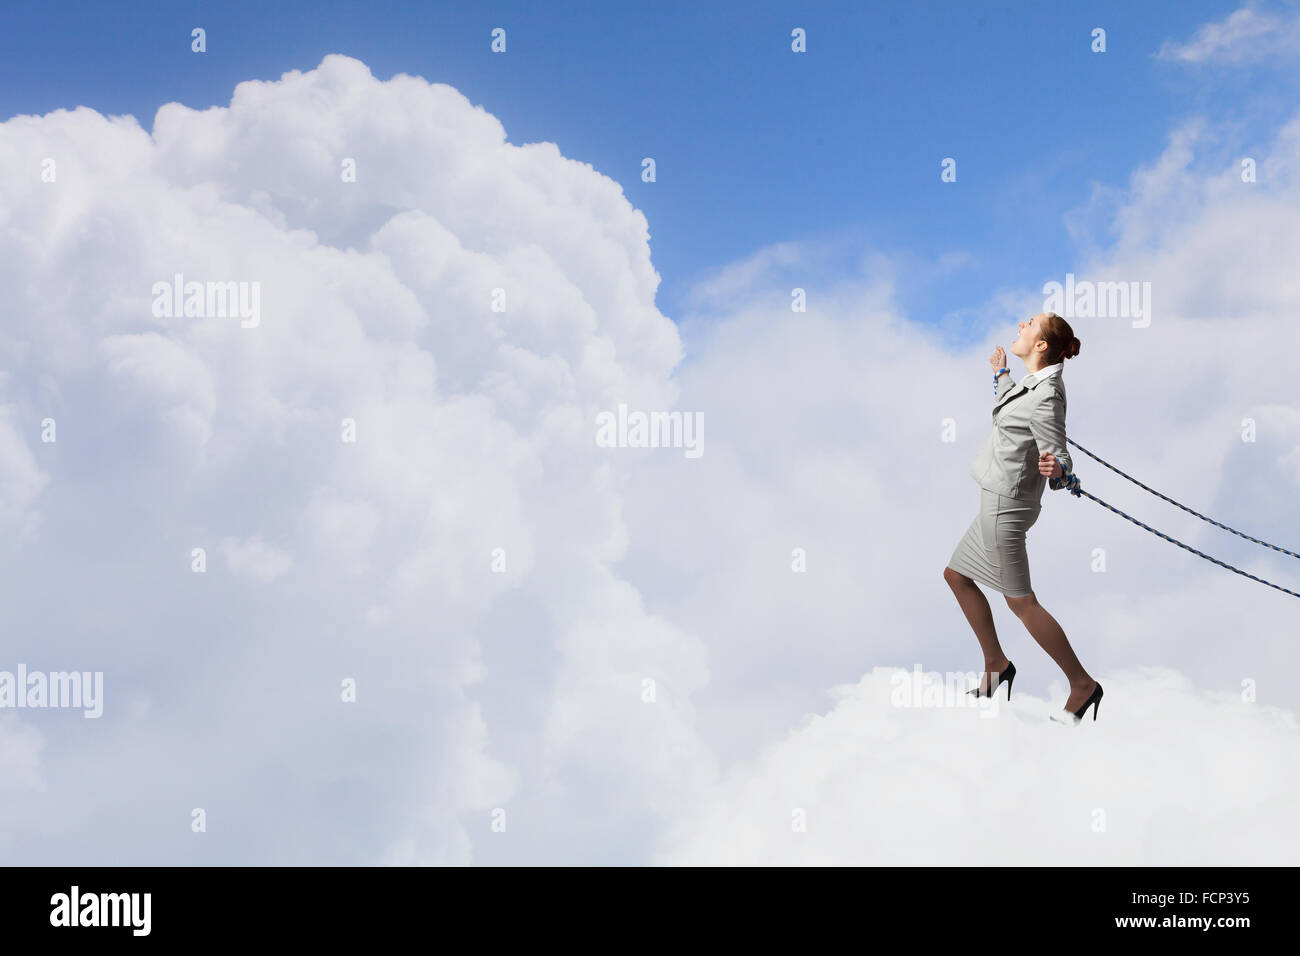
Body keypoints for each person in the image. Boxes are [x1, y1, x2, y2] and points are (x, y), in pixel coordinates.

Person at [943, 312, 1103, 724]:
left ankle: (1082, 685)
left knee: (1022, 603)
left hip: (1005, 508)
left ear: (1041, 344)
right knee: (957, 576)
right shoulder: (1034, 386)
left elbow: (1059, 450)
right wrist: (1000, 376)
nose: (1020, 325)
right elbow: (1015, 410)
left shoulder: (1048, 395)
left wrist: (1061, 470)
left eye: (1029, 324)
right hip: (994, 500)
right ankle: (996, 664)